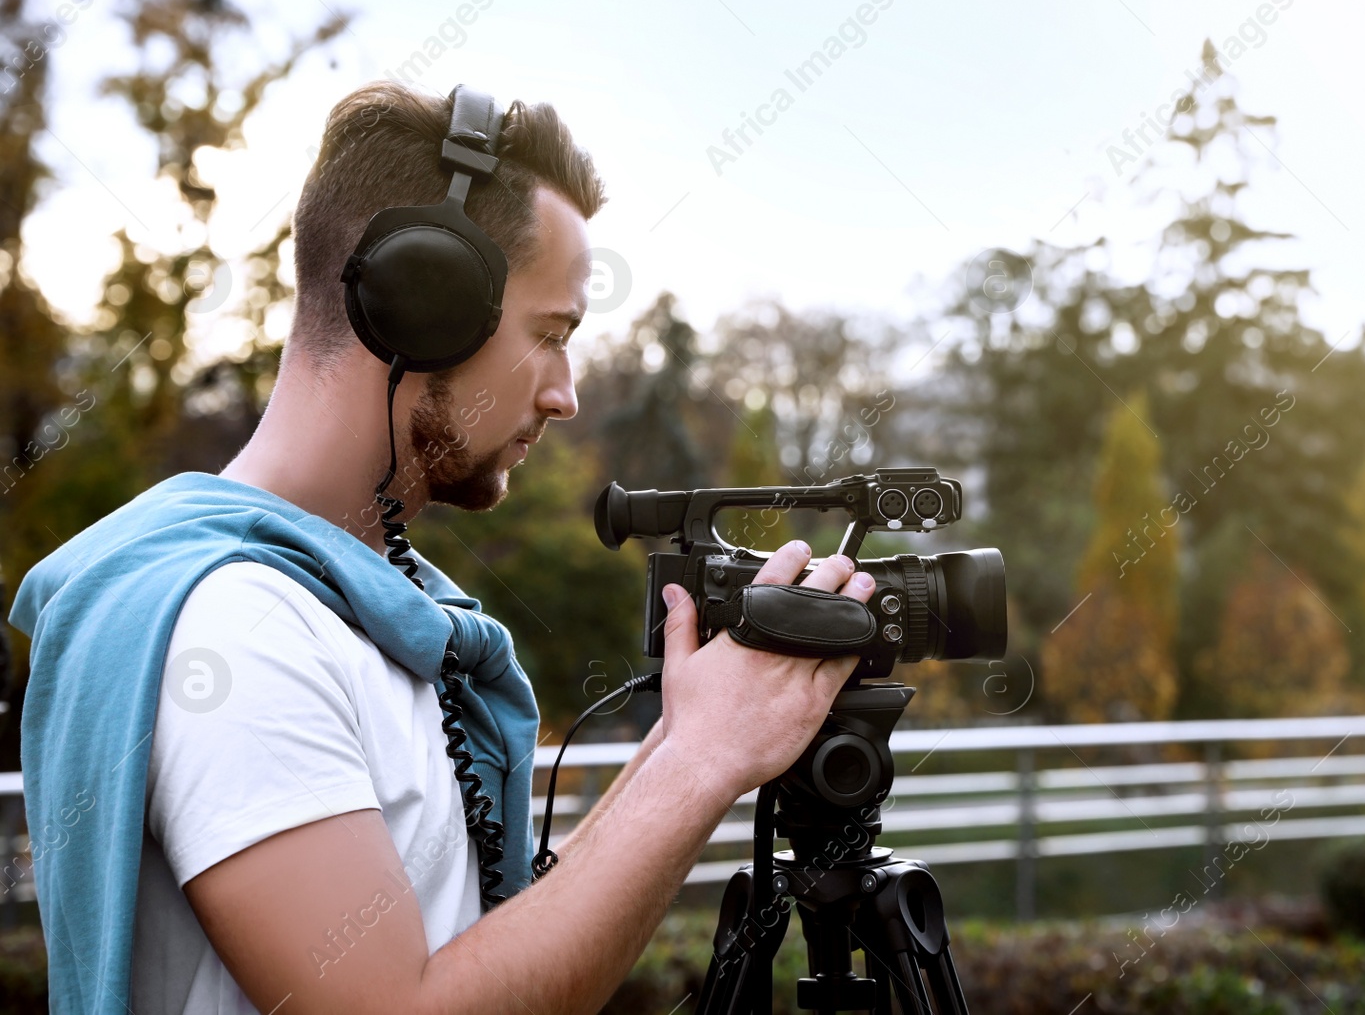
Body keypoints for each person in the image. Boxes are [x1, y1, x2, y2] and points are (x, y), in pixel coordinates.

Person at [10, 81, 874, 1014]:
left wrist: (688, 738)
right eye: (550, 336)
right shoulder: (238, 630)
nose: (565, 395)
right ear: (425, 307)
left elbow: (476, 949)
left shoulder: (374, 607)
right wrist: (703, 764)